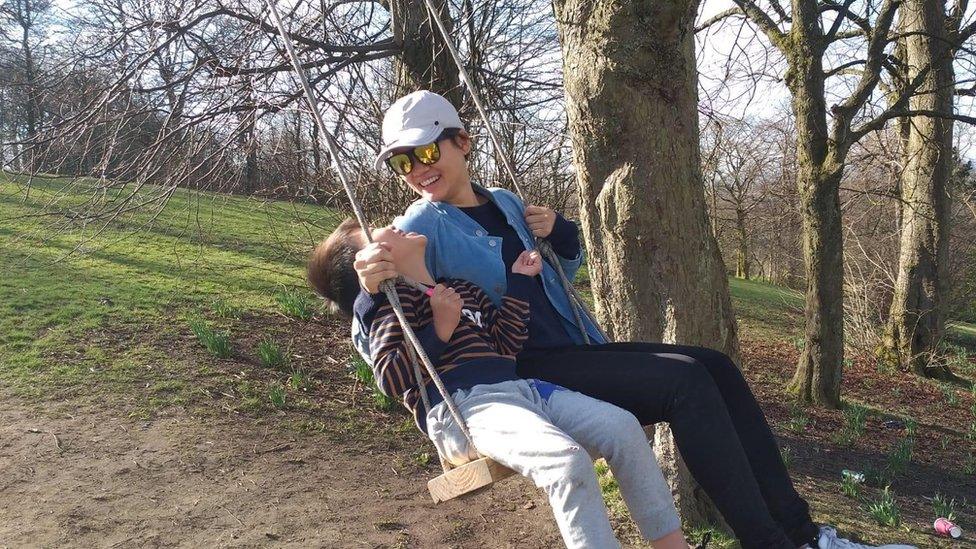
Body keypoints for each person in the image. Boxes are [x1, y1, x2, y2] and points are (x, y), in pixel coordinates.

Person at [351, 90, 917, 549]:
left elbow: (558, 276)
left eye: (426, 153)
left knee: (715, 366)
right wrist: (369, 283)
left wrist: (561, 233)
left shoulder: (502, 201)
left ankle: (802, 536)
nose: (416, 171)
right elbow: (390, 309)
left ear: (462, 142)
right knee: (686, 384)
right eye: (403, 162)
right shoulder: (421, 222)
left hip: (574, 347)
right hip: (520, 371)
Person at [307, 218, 693, 549]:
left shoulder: (461, 289)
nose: (390, 225)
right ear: (372, 268)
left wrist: (520, 282)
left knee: (623, 426)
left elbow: (507, 344)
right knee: (566, 460)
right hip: (464, 410)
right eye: (376, 235)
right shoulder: (392, 308)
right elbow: (391, 379)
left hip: (520, 391)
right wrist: (437, 328)